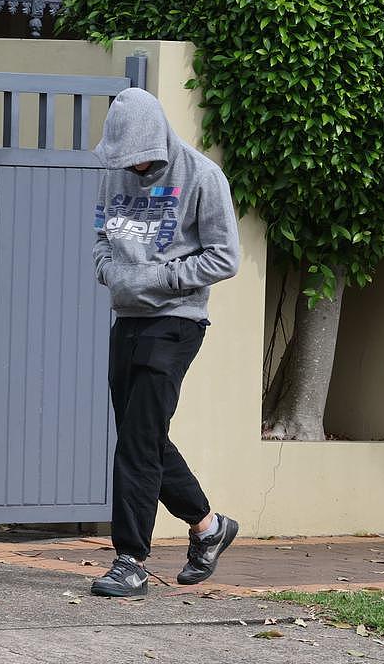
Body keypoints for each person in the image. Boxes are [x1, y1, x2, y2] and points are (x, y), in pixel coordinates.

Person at [90, 87, 241, 596]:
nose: (134, 170)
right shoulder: (114, 174)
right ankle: (208, 526)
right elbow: (101, 239)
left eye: (141, 161)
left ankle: (130, 560)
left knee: (136, 441)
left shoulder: (202, 176)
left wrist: (157, 279)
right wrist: (112, 274)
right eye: (125, 163)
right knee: (143, 435)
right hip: (127, 319)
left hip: (177, 321)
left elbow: (225, 258)